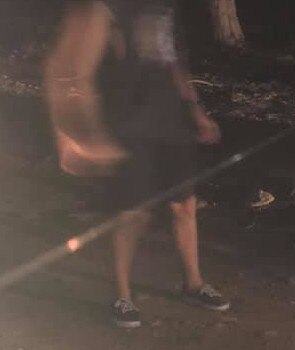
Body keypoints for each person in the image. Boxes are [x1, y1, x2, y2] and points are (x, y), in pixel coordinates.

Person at [44, 0, 229, 328]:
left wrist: (195, 111)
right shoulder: (106, 8)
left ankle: (194, 284)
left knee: (184, 204)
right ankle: (123, 295)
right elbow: (70, 71)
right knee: (132, 212)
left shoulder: (166, 7)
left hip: (171, 120)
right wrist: (81, 135)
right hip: (128, 123)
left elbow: (175, 62)